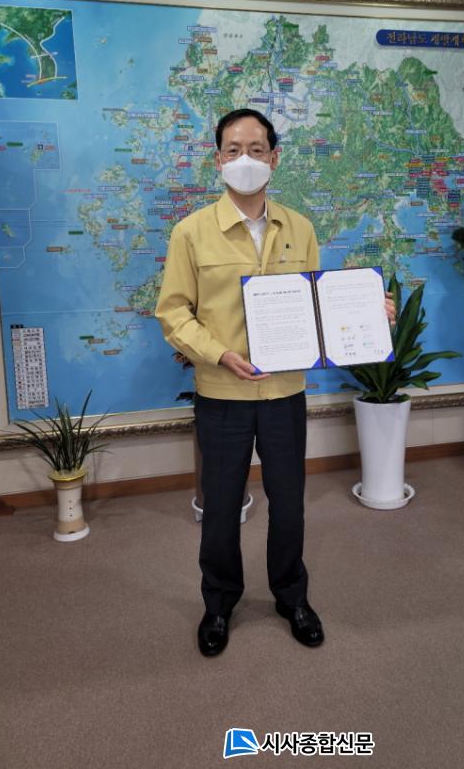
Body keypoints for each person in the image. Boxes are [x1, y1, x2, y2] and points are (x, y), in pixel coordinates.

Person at [156, 108, 394, 657]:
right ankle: (219, 604)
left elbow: (316, 306)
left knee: (289, 503)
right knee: (220, 508)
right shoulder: (191, 232)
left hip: (285, 393)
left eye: (257, 149)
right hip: (223, 395)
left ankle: (292, 597)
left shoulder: (300, 228)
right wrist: (219, 354)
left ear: (275, 158)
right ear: (217, 159)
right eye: (233, 149)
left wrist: (367, 310)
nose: (245, 159)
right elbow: (173, 313)